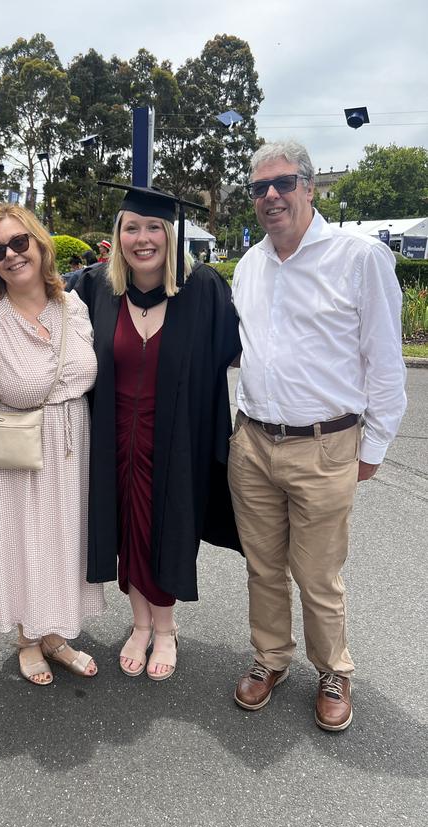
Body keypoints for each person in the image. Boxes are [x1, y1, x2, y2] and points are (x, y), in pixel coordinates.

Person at [228, 140, 407, 731]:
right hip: (253, 440)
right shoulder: (251, 264)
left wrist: (374, 447)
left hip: (326, 443)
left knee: (318, 572)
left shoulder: (359, 258)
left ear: (308, 187)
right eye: (260, 187)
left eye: (283, 183)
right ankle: (270, 657)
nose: (271, 195)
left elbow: (385, 362)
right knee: (262, 564)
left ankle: (333, 669)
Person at [76, 184, 242, 681]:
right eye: (132, 228)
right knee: (125, 527)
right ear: (118, 236)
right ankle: (140, 623)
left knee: (166, 528)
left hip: (177, 440)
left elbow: (236, 351)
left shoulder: (204, 289)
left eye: (153, 228)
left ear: (171, 235)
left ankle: (165, 627)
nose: (142, 238)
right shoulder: (95, 290)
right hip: (112, 439)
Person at [0, 203, 105, 686]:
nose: (11, 254)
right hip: (19, 451)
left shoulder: (76, 308)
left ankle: (53, 633)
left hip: (74, 447)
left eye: (19, 242)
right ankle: (28, 637)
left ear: (40, 244)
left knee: (63, 542)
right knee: (26, 542)